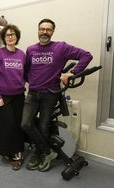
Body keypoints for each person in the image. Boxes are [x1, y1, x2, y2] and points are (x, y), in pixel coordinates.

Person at [21, 18, 93, 172]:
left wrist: (72, 73)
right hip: (33, 93)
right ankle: (47, 152)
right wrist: (32, 81)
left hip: (50, 94)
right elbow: (27, 70)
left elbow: (87, 55)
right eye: (42, 29)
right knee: (26, 124)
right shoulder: (31, 49)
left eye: (48, 29)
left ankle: (39, 153)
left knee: (43, 126)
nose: (45, 32)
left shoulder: (61, 47)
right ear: (38, 30)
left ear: (53, 31)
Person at [0, 24, 27, 170]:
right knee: (7, 126)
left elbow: (26, 74)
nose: (10, 37)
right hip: (3, 97)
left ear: (17, 37)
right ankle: (8, 153)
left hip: (19, 96)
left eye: (13, 35)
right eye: (8, 35)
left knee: (18, 125)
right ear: (4, 38)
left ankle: (17, 153)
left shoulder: (22, 54)